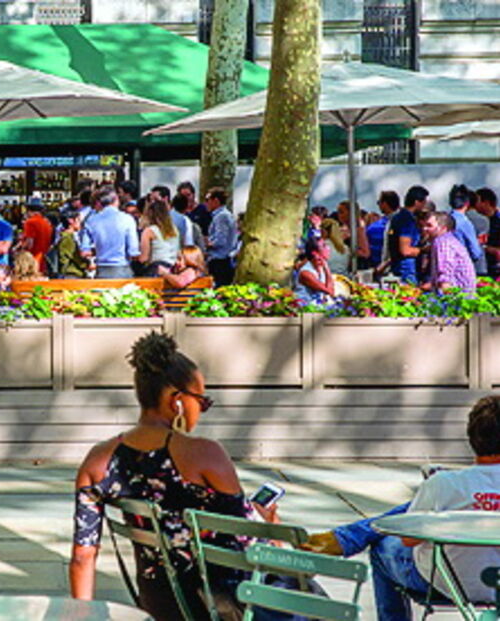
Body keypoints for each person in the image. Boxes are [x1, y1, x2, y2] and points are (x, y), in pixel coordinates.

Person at [70, 332, 279, 619]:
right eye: (202, 401)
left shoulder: (97, 461)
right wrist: (268, 525)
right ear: (176, 401)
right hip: (227, 604)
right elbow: (248, 540)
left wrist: (82, 615)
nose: (202, 410)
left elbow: (83, 555)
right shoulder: (205, 454)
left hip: (160, 603)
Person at [303, 396, 500, 620]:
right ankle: (346, 538)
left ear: (472, 438)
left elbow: (408, 539)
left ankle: (346, 539)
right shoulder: (445, 483)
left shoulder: (445, 483)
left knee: (382, 545)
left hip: (447, 582)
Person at [82, 185, 139, 278]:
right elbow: (133, 251)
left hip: (101, 270)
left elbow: (85, 251)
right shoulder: (127, 219)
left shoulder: (91, 221)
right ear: (116, 199)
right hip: (122, 268)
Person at [420, 211, 476, 293]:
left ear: (443, 228)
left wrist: (445, 294)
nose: (424, 229)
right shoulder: (449, 240)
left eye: (429, 226)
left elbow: (445, 272)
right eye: (424, 225)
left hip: (457, 297)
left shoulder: (442, 242)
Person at [387, 185, 428, 284]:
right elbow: (405, 250)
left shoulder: (397, 217)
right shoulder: (407, 220)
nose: (424, 206)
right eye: (424, 202)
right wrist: (423, 250)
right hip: (406, 270)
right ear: (417, 202)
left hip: (398, 267)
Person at [448, 184, 486, 275]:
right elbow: (475, 253)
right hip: (461, 269)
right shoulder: (465, 223)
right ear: (467, 203)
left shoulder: (444, 219)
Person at [204, 187, 237, 286]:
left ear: (216, 201)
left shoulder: (221, 216)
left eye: (207, 200)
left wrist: (207, 243)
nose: (206, 203)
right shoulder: (223, 215)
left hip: (220, 260)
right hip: (222, 260)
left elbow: (220, 240)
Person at [137, 200, 180, 275]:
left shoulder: (149, 231)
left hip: (157, 269)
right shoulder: (174, 230)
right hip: (173, 268)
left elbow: (143, 258)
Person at [293, 238, 336, 304]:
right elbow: (330, 292)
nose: (328, 248)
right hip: (304, 309)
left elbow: (331, 292)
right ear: (315, 253)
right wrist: (326, 268)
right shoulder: (305, 273)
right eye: (324, 246)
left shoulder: (321, 267)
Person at [21, 198, 54, 274]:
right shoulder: (46, 223)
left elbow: (29, 243)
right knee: (40, 283)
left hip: (31, 260)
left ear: (28, 210)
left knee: (31, 283)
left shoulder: (30, 222)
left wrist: (20, 249)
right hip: (43, 259)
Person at [56, 207, 91, 278]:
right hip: (71, 273)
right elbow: (74, 256)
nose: (80, 223)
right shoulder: (68, 237)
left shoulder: (65, 236)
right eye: (78, 220)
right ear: (71, 221)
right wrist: (87, 264)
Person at [368, 191, 399, 268]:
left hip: (390, 268)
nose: (378, 206)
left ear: (384, 204)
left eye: (379, 203)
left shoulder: (396, 222)